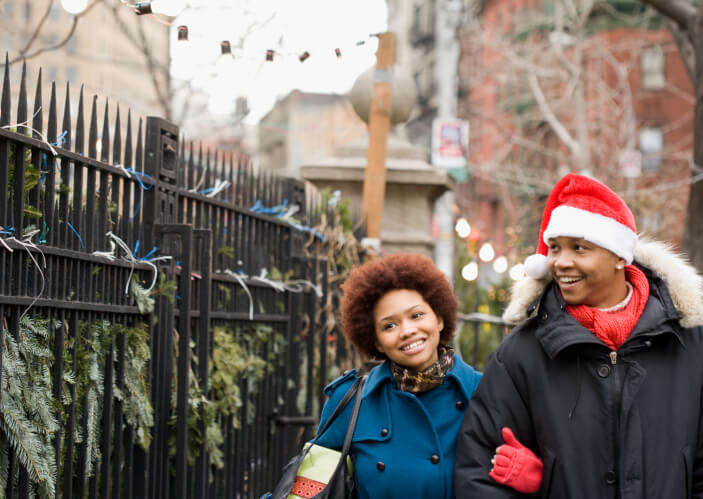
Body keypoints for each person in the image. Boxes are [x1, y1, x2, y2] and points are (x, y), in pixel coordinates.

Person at [454, 173, 703, 498]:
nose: (561, 262)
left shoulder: (689, 343)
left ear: (619, 257)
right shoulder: (522, 352)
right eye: (554, 248)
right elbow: (479, 469)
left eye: (579, 248)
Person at [313, 252, 542, 499]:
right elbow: (311, 485)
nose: (408, 331)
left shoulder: (487, 392)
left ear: (440, 318)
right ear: (376, 342)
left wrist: (534, 480)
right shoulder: (351, 401)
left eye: (417, 315)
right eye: (389, 325)